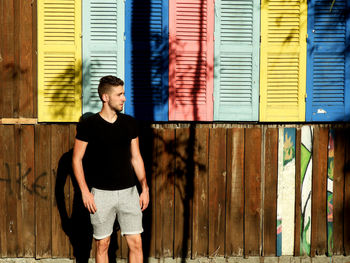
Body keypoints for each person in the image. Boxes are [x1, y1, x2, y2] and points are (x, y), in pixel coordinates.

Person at [72, 75, 149, 263]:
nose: (124, 98)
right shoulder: (88, 126)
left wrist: (144, 188)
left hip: (129, 193)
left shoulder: (130, 123)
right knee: (102, 244)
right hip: (100, 195)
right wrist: (85, 192)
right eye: (120, 94)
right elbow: (76, 159)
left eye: (124, 94)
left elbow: (136, 158)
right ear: (105, 97)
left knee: (136, 243)